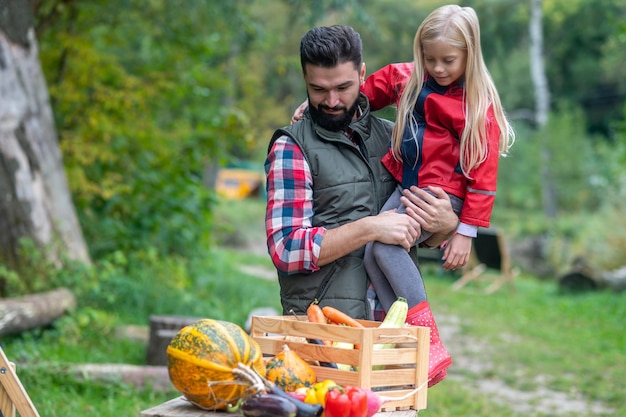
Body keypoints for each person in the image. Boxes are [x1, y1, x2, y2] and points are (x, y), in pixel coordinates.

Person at [264, 24, 459, 381]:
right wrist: (371, 227)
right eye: (318, 90)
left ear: (363, 74)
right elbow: (286, 248)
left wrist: (443, 227)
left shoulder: (396, 136)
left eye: (343, 87)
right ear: (305, 80)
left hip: (393, 336)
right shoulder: (292, 147)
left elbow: (412, 229)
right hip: (323, 338)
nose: (332, 101)